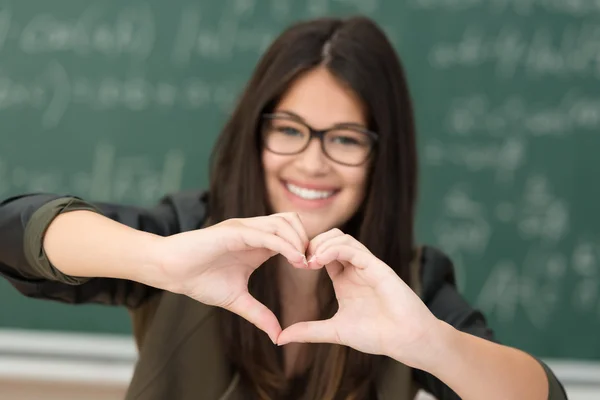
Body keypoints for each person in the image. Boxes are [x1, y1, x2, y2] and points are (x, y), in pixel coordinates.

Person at [0, 15, 566, 400]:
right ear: (256, 135)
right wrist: (159, 260)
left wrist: (431, 345)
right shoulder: (188, 233)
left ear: (381, 158)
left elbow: (544, 395)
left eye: (345, 138)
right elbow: (13, 231)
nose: (312, 163)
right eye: (289, 130)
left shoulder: (412, 283)